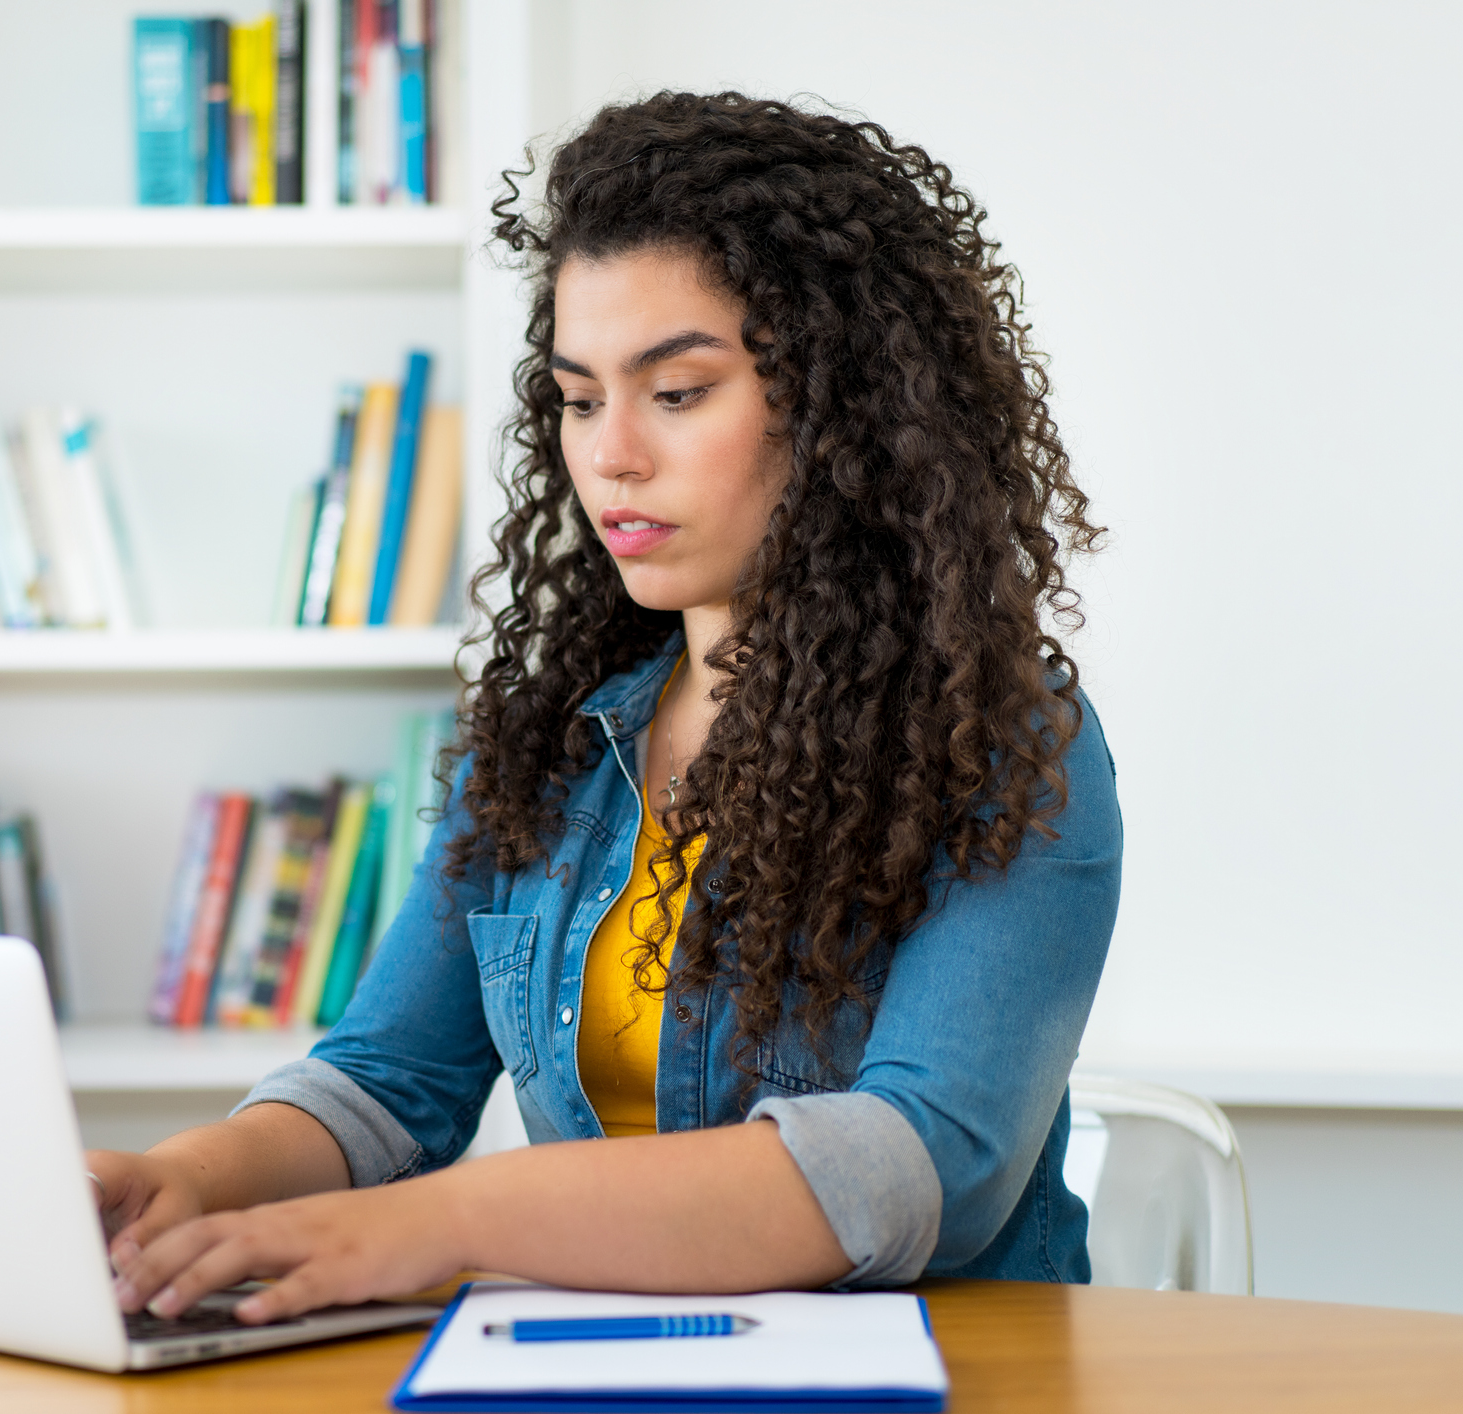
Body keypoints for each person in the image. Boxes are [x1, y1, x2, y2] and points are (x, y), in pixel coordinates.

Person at [89, 91, 1121, 1326]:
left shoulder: (1004, 744)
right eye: (580, 399)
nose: (612, 455)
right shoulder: (550, 741)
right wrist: (179, 1181)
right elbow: (384, 1083)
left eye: (677, 393)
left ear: (849, 414)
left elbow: (917, 1165)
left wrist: (450, 1219)